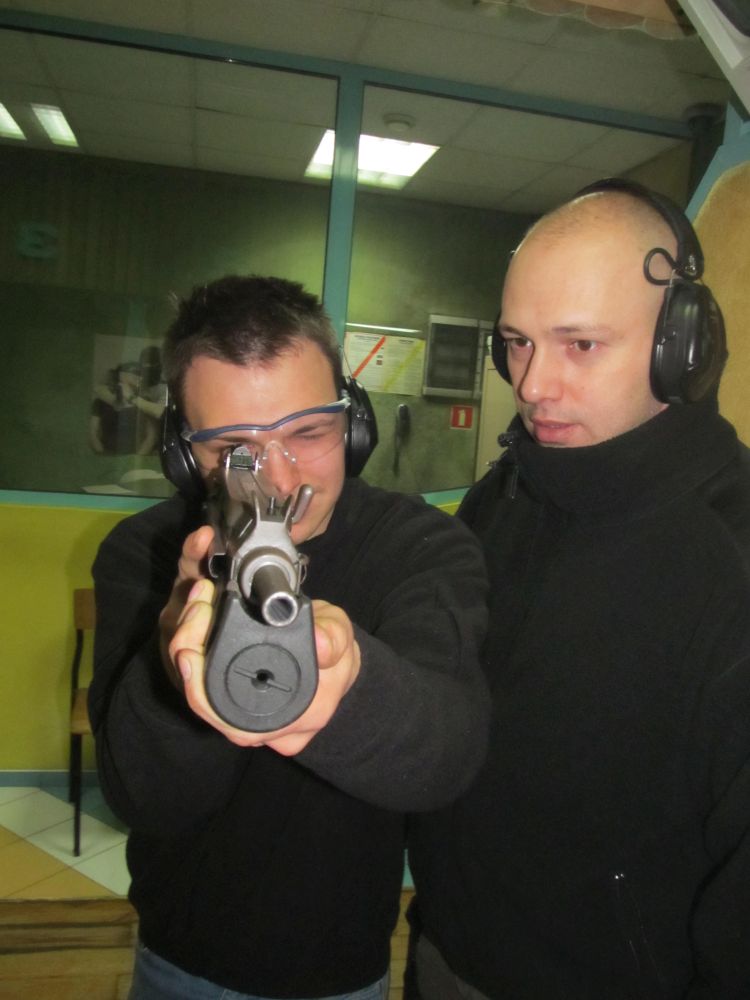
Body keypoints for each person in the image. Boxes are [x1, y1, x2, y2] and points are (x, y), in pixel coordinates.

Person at [88, 274, 489, 1000]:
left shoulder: (422, 546)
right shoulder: (142, 555)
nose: (277, 477)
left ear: (355, 425)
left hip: (344, 968)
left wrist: (349, 684)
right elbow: (143, 800)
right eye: (235, 449)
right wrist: (176, 655)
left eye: (308, 432)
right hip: (181, 960)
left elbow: (446, 757)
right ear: (183, 453)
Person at [407, 178, 750, 999]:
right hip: (441, 955)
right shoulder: (505, 495)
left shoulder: (732, 557)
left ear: (683, 348)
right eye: (517, 343)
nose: (532, 386)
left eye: (581, 345)